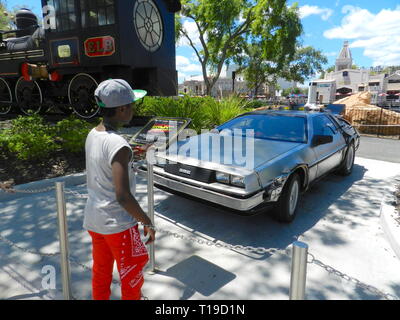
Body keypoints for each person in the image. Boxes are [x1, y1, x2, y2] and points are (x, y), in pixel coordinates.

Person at [84, 79, 156, 300]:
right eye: (131, 105)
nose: (133, 110)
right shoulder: (118, 145)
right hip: (118, 226)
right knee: (131, 278)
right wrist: (147, 221)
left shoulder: (93, 134)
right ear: (122, 108)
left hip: (95, 221)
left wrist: (132, 153)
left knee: (101, 273)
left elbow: (105, 163)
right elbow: (123, 196)